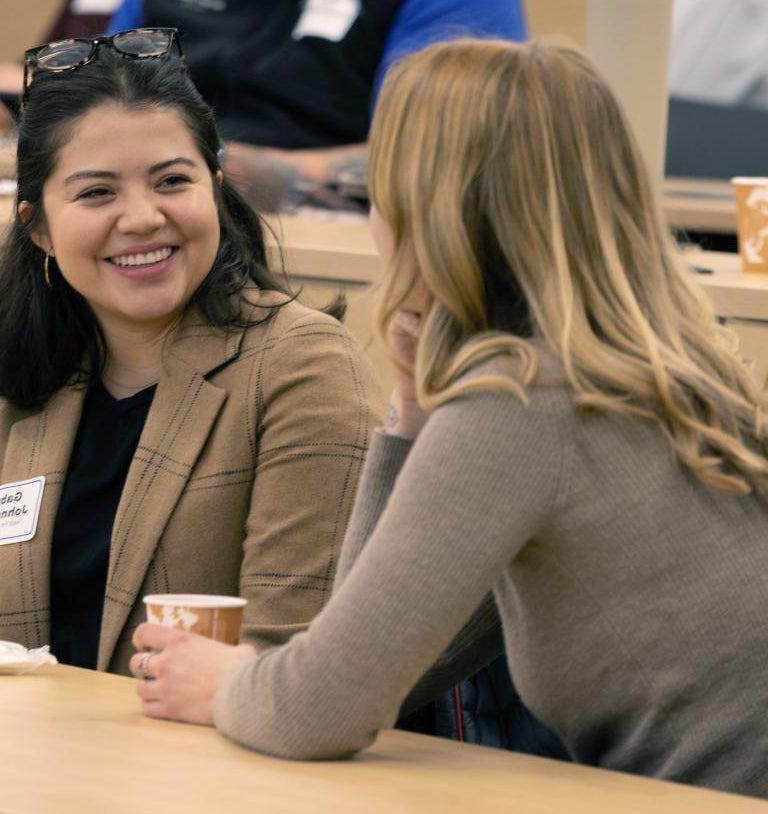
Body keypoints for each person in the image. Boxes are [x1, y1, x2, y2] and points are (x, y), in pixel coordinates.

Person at [129, 38, 768, 798]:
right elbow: (396, 665)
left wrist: (223, 682)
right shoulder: (662, 368)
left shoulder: (519, 402)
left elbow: (318, 710)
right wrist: (411, 409)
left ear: (420, 203)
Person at [0, 29, 383, 675]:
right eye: (96, 193)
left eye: (172, 181)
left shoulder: (302, 367)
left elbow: (289, 663)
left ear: (215, 190)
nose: (141, 218)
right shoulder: (31, 387)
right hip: (24, 758)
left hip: (208, 761)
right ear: (39, 228)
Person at [106, 0, 527, 209]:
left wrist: (261, 174)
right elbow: (100, 104)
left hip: (340, 235)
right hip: (161, 207)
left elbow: (461, 154)